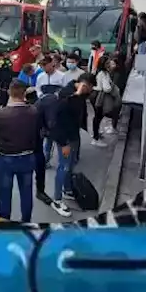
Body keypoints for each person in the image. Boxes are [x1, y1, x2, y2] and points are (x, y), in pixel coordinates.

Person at [0, 80, 39, 222]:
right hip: (27, 157)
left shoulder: (1, 114)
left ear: (9, 93)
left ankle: (5, 223)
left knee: (4, 194)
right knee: (26, 193)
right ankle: (26, 221)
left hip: (6, 158)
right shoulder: (33, 111)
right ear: (24, 94)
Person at [48, 74, 96, 213]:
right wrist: (64, 143)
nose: (91, 91)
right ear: (85, 85)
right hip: (65, 139)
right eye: (90, 88)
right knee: (63, 167)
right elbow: (60, 116)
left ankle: (67, 189)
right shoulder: (66, 94)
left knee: (70, 165)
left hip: (74, 136)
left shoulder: (80, 95)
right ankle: (57, 199)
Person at [91, 57, 122, 143]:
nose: (110, 65)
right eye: (108, 63)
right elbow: (107, 88)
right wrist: (112, 86)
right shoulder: (103, 74)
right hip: (99, 96)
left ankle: (96, 133)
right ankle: (95, 138)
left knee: (98, 116)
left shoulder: (100, 72)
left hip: (96, 95)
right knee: (98, 116)